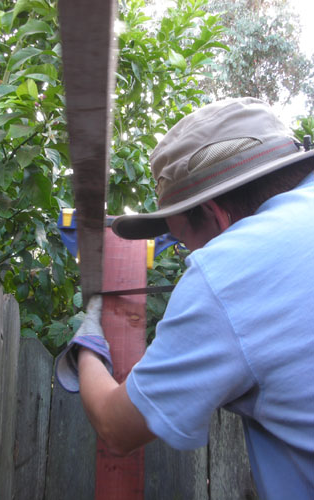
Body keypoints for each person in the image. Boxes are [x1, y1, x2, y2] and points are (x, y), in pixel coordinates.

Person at [56, 97, 314, 499]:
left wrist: (87, 342)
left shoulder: (229, 269)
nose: (190, 256)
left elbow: (115, 425)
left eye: (181, 240)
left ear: (215, 215)